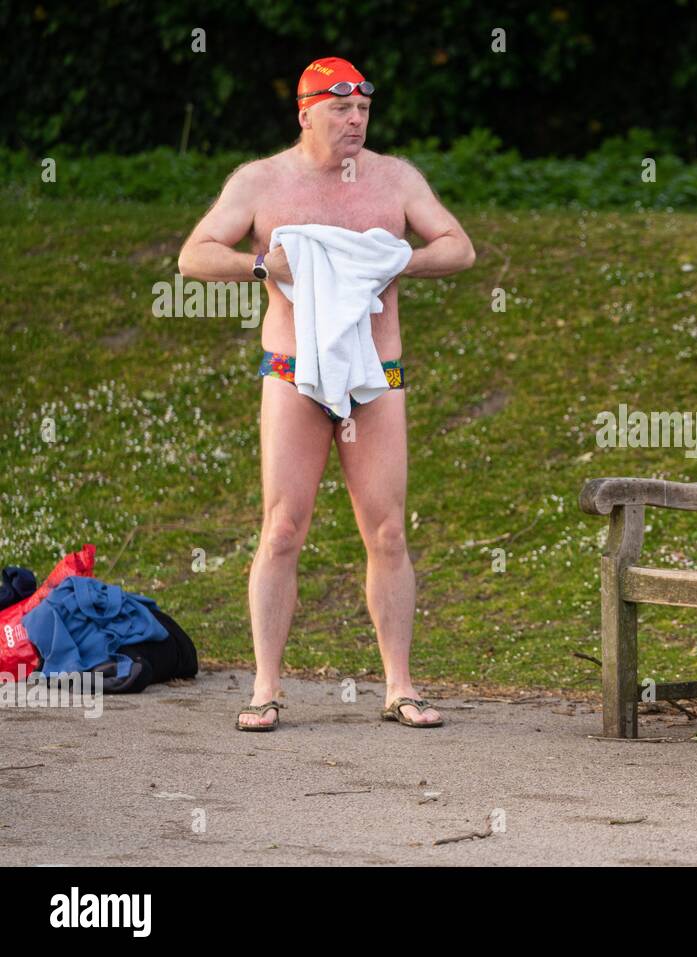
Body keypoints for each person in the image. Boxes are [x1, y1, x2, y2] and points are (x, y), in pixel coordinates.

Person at [177, 57, 476, 731]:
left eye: (364, 111)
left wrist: (398, 259)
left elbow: (459, 248)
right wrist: (265, 264)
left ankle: (399, 685)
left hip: (376, 374)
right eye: (341, 111)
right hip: (293, 373)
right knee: (282, 528)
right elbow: (194, 254)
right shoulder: (263, 181)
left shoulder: (394, 178)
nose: (355, 122)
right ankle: (265, 686)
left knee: (388, 529)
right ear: (306, 112)